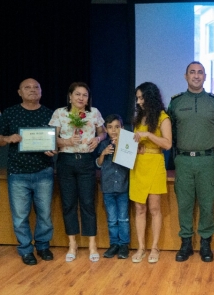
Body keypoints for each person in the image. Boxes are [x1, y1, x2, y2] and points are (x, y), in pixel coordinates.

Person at [167, 61, 214, 262]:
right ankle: (185, 243)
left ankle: (205, 243)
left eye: (200, 72)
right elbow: (171, 133)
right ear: (186, 76)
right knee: (184, 204)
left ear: (205, 76)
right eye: (192, 72)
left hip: (207, 161)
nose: (196, 76)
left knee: (208, 204)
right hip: (183, 161)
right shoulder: (176, 102)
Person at [0, 78, 56, 266]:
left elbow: (57, 141)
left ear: (41, 91)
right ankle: (26, 249)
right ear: (19, 92)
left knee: (44, 214)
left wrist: (54, 149)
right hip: (18, 173)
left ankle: (43, 246)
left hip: (44, 171)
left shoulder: (49, 114)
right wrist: (8, 138)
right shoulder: (10, 113)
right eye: (27, 87)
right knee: (20, 216)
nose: (32, 90)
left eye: (36, 87)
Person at [49, 82, 107, 263]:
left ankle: (92, 245)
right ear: (70, 96)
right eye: (78, 94)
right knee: (68, 203)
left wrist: (98, 139)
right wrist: (66, 141)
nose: (81, 98)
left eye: (85, 95)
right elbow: (51, 139)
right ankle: (72, 244)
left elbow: (103, 132)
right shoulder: (60, 113)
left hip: (86, 162)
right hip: (66, 162)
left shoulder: (94, 113)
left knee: (88, 203)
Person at [129, 82, 172, 264]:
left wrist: (148, 136)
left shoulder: (163, 117)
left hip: (155, 164)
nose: (139, 102)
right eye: (137, 98)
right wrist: (135, 146)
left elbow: (168, 144)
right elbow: (135, 140)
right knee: (139, 208)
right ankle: (141, 247)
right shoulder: (138, 118)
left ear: (150, 97)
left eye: (141, 97)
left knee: (154, 208)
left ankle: (154, 247)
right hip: (138, 165)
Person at [96, 114, 130, 260]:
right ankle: (114, 244)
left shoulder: (127, 144)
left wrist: (120, 148)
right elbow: (98, 163)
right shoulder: (103, 144)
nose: (114, 130)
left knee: (123, 218)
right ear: (106, 129)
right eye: (110, 127)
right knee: (112, 219)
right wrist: (103, 154)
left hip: (122, 188)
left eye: (117, 127)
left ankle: (124, 245)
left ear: (122, 128)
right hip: (108, 188)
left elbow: (129, 164)